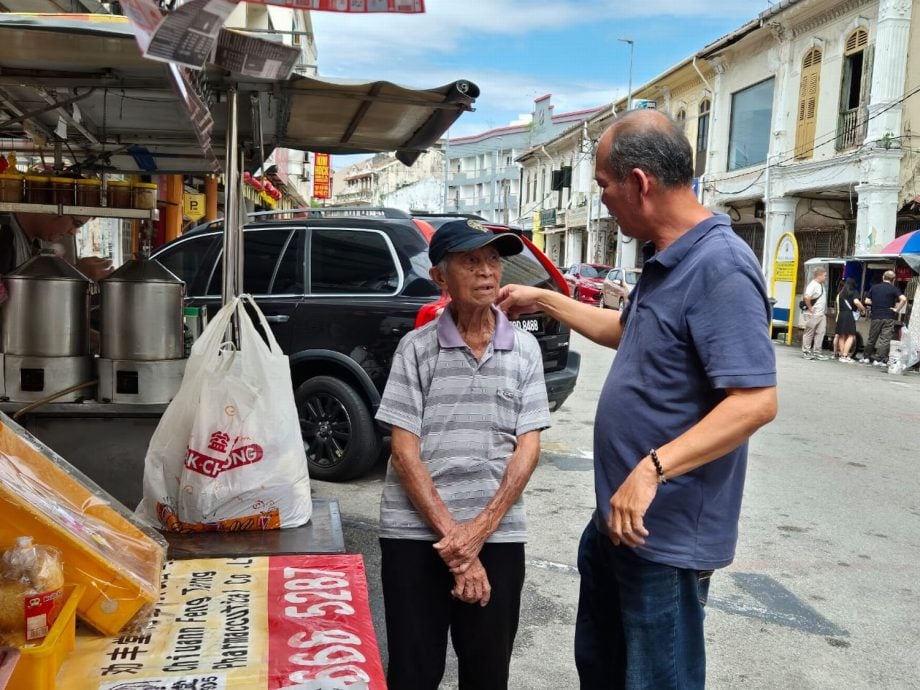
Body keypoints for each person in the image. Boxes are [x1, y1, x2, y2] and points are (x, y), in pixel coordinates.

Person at [497, 110, 777, 689]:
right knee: (601, 669)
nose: (601, 200)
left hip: (665, 536)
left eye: (603, 185)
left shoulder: (719, 266)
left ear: (640, 183)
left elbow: (754, 402)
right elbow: (626, 331)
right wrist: (544, 300)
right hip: (617, 522)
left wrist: (652, 471)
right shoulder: (664, 257)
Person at [375, 218, 551, 690]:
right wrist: (458, 543)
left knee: (489, 672)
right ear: (440, 277)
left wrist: (477, 535)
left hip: (497, 534)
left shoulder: (526, 350)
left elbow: (527, 448)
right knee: (414, 672)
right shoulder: (416, 349)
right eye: (470, 261)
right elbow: (404, 452)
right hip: (415, 535)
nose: (486, 272)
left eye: (493, 260)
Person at [0, 212, 112, 280]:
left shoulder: (34, 244)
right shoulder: (4, 235)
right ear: (57, 207)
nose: (73, 232)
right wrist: (75, 273)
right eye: (76, 224)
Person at [857, 270, 907, 367]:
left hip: (876, 316)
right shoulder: (894, 289)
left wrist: (876, 303)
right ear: (893, 280)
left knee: (872, 338)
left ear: (883, 277)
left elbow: (867, 301)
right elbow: (904, 299)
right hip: (889, 316)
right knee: (885, 339)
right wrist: (897, 309)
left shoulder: (874, 287)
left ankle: (866, 357)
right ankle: (878, 360)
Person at [801, 267, 828, 360]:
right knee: (809, 332)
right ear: (819, 275)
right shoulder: (812, 285)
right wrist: (810, 308)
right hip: (813, 313)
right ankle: (806, 351)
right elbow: (807, 297)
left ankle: (817, 351)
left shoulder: (821, 285)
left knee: (820, 332)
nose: (826, 277)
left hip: (821, 314)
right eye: (824, 275)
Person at [834, 277, 861, 362]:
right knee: (851, 335)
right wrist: (862, 309)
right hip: (849, 314)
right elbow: (856, 302)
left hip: (841, 314)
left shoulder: (840, 293)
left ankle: (842, 355)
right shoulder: (854, 292)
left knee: (842, 335)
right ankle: (845, 355)